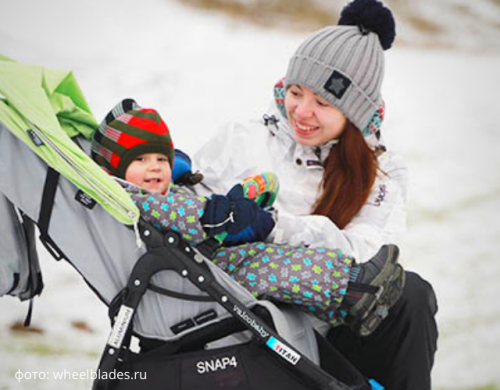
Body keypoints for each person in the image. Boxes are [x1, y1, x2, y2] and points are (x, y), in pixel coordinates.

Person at [190, 0, 438, 388]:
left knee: (412, 295)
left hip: (332, 329)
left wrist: (273, 227)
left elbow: (369, 257)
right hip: (243, 319)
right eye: (296, 92)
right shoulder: (244, 137)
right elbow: (191, 204)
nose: (302, 111)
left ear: (354, 115)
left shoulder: (381, 171)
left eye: (323, 103)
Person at [91, 104, 405, 332]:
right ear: (115, 169)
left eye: (161, 158)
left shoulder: (164, 190)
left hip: (204, 260)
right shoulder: (135, 199)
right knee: (274, 266)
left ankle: (346, 305)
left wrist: (241, 219)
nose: (156, 167)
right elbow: (181, 215)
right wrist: (213, 214)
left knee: (277, 260)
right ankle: (353, 287)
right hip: (190, 276)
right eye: (141, 159)